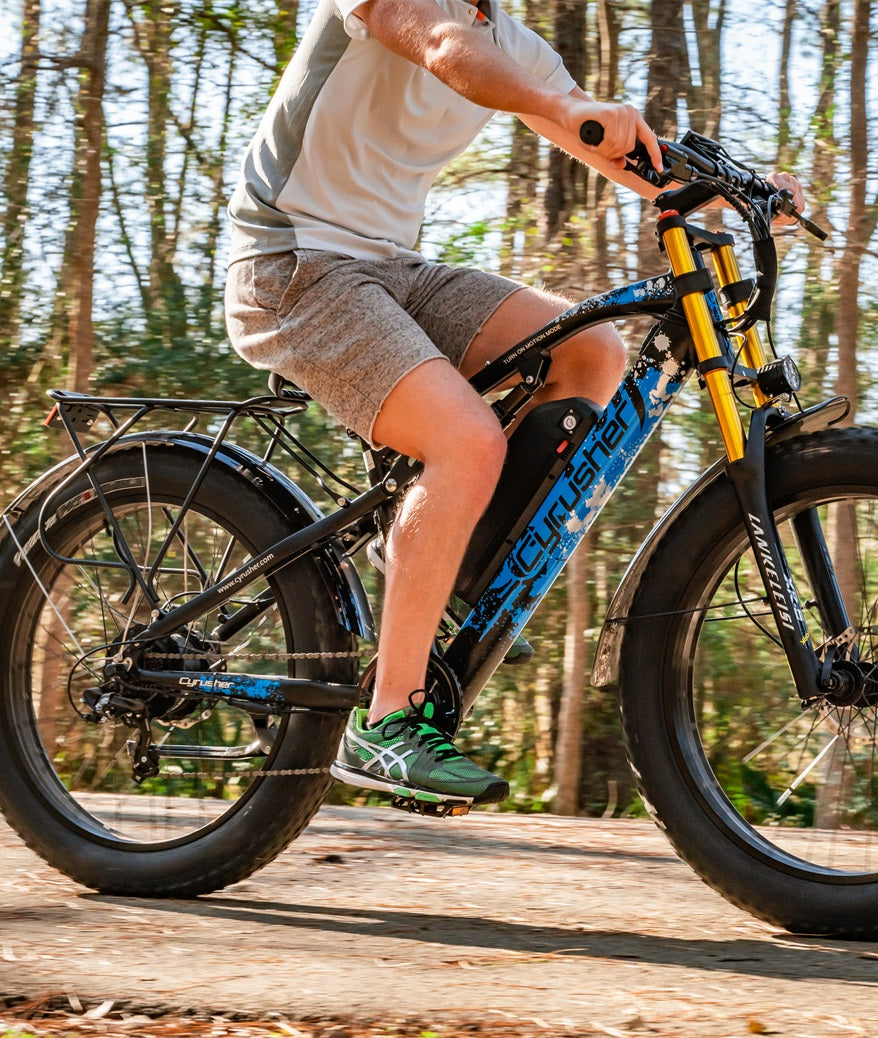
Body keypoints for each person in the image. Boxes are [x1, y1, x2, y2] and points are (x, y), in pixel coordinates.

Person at [224, 0, 804, 809]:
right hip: (293, 266)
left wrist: (731, 191)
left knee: (592, 349)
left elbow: (602, 145)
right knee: (465, 443)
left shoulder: (512, 41)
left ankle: (434, 560)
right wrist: (563, 104)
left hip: (392, 270)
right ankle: (385, 723)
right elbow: (439, 45)